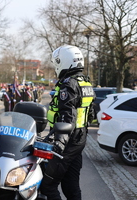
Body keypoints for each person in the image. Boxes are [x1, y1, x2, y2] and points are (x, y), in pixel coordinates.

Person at [41, 45, 95, 200]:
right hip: (79, 139)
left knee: (47, 185)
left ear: (64, 61)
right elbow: (90, 115)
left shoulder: (69, 84)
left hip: (67, 140)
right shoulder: (85, 83)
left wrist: (60, 143)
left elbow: (67, 117)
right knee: (71, 186)